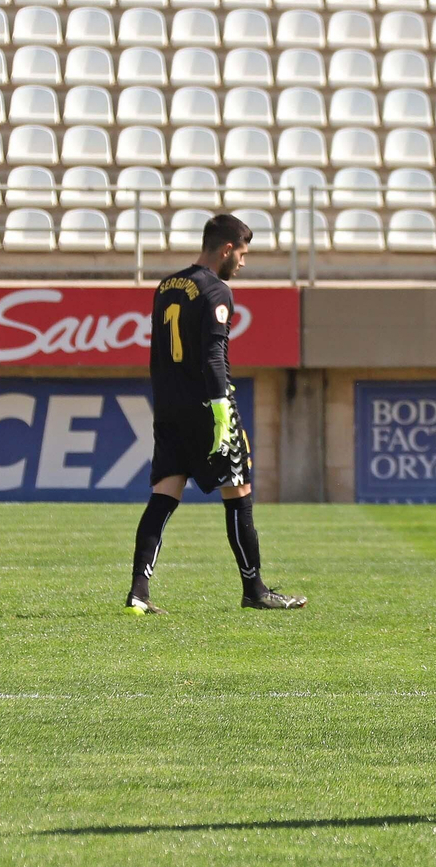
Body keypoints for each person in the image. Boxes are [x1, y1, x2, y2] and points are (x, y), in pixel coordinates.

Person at [123, 214, 307, 615]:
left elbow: (158, 353)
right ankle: (254, 590)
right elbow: (213, 356)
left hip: (170, 409)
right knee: (238, 493)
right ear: (226, 249)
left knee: (163, 496)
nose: (242, 263)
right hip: (208, 409)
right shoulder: (216, 290)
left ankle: (139, 592)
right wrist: (222, 408)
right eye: (241, 254)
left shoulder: (166, 286)